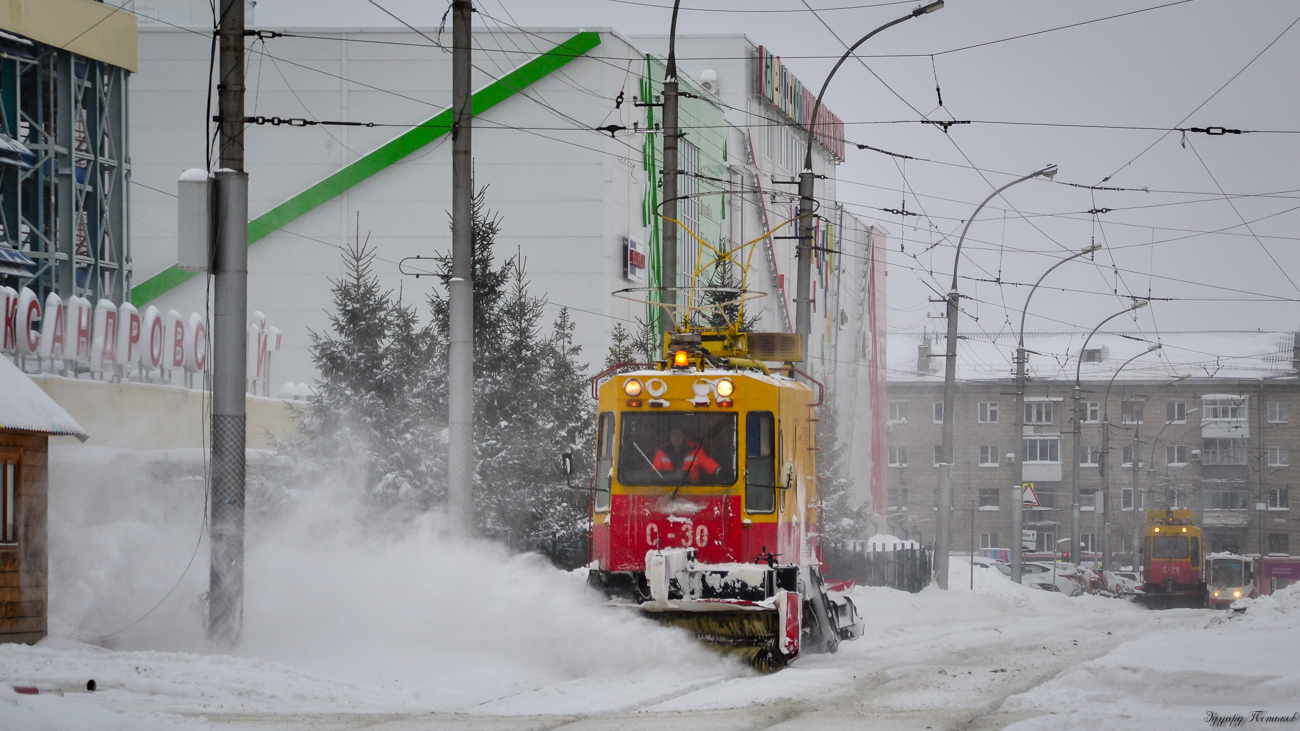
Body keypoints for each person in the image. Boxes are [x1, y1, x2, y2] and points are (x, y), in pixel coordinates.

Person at [652, 427, 720, 482]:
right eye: (674, 435)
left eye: (679, 435)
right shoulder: (661, 452)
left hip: (693, 491)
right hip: (667, 491)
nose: (677, 438)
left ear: (684, 436)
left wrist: (718, 470)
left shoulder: (695, 450)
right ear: (670, 437)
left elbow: (707, 463)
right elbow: (654, 474)